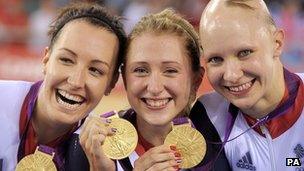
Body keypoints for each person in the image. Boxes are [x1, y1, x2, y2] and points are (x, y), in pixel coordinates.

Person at [66, 8, 231, 171]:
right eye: (140, 70)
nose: (154, 87)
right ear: (124, 77)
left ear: (196, 81)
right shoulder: (92, 145)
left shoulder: (221, 141)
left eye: (170, 71)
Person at [0, 2, 126, 171]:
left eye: (95, 70)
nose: (76, 81)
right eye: (66, 60)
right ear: (46, 59)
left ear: (111, 83)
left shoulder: (105, 157)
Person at [190, 0, 304, 171]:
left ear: (277, 44)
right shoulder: (207, 116)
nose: (231, 75)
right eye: (215, 59)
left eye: (244, 53)